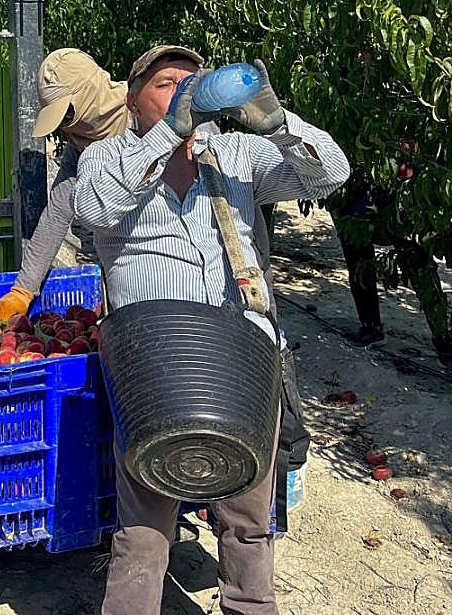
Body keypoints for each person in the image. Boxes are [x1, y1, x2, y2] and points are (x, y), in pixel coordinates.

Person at [73, 45, 350, 615]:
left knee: (249, 519)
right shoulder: (108, 159)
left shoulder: (236, 156)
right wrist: (166, 136)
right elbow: (95, 210)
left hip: (241, 359)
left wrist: (279, 123)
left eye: (188, 82)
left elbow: (329, 175)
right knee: (145, 530)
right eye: (164, 84)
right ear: (132, 99)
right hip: (155, 368)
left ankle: (251, 606)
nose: (180, 92)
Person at [0, 48, 131, 321]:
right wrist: (24, 288)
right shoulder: (80, 143)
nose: (65, 126)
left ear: (88, 95)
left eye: (67, 114)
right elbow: (57, 215)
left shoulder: (146, 112)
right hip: (119, 265)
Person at [331, 177, 452, 368]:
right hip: (351, 187)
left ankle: (443, 337)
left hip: (397, 192)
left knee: (419, 263)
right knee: (357, 259)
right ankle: (370, 327)